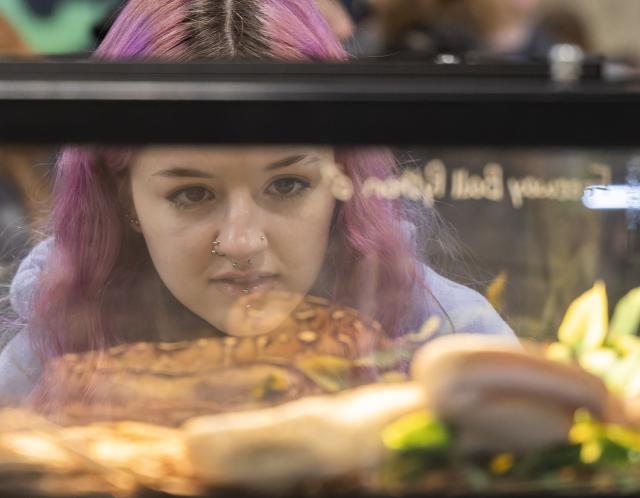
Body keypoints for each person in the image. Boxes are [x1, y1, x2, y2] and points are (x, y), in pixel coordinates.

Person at [0, 0, 514, 406]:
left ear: (344, 181)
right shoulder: (44, 365)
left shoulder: (449, 343)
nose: (242, 243)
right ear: (123, 197)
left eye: (288, 185)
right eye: (192, 194)